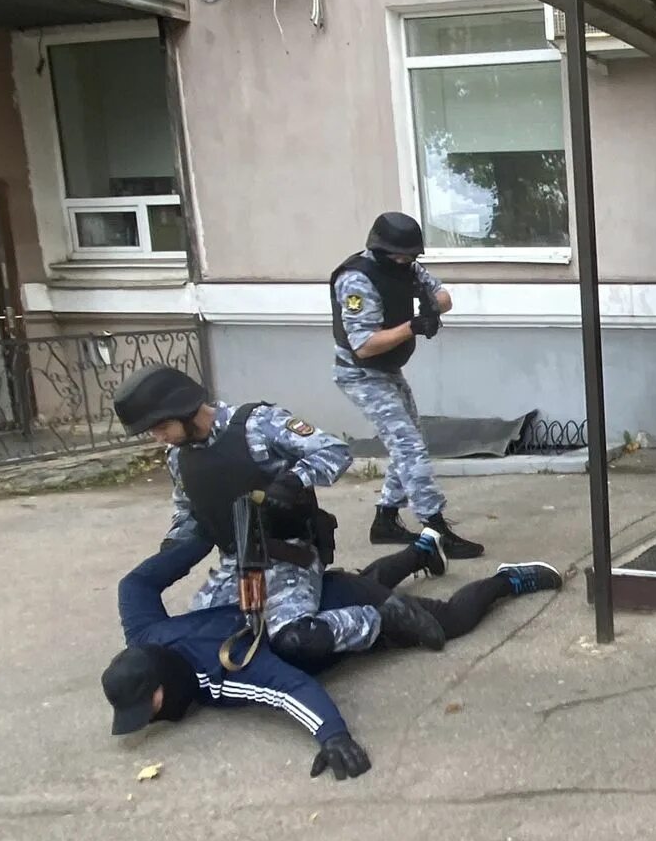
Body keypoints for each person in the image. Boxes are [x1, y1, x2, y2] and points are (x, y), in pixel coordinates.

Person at [102, 530, 564, 779]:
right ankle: (423, 549)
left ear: (165, 684)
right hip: (304, 598)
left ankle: (508, 580)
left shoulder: (223, 667)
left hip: (324, 616)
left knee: (446, 623)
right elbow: (134, 586)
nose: (152, 716)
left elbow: (292, 690)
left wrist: (332, 736)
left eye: (152, 705)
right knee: (363, 580)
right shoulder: (147, 634)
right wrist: (201, 537)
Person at [113, 363, 386, 665]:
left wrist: (292, 481)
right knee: (199, 643)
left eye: (162, 427)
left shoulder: (257, 424)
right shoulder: (179, 456)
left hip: (289, 553)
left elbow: (335, 451)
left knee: (293, 640)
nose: (158, 437)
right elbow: (188, 514)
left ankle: (383, 620)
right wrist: (171, 551)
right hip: (237, 561)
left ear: (184, 410)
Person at [331, 211, 483, 558]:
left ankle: (385, 519)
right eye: (400, 255)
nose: (406, 261)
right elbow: (363, 344)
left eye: (411, 256)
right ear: (381, 249)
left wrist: (433, 307)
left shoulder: (407, 267)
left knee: (411, 438)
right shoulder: (357, 280)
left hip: (387, 370)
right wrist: (413, 327)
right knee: (409, 445)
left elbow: (442, 294)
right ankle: (435, 526)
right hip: (360, 373)